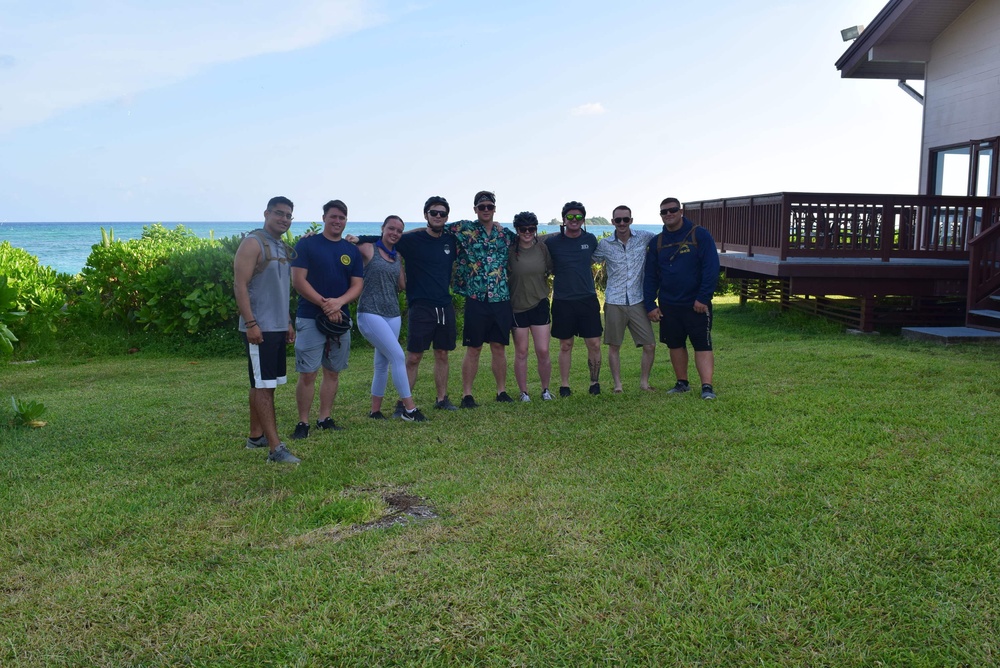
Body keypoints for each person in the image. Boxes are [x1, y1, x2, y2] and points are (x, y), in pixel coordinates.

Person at [351, 196, 460, 411]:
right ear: (426, 215)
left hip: (444, 305)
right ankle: (402, 403)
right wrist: (360, 238)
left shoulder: (451, 241)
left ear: (447, 217)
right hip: (420, 305)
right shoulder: (412, 240)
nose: (438, 216)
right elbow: (386, 239)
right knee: (414, 356)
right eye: (433, 212)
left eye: (442, 213)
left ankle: (442, 399)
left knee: (442, 354)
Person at [232, 195, 300, 464]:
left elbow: (279, 289)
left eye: (288, 215)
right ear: (266, 213)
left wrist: (287, 321)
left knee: (263, 383)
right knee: (263, 386)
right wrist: (250, 323)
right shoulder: (253, 243)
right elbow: (239, 286)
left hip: (276, 325)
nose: (284, 219)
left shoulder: (281, 246)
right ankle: (275, 448)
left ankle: (256, 436)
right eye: (279, 213)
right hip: (259, 326)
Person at [290, 199, 364, 437]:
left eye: (342, 218)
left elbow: (357, 285)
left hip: (340, 320)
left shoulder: (351, 250)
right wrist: (325, 304)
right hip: (311, 317)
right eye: (333, 216)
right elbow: (298, 281)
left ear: (346, 221)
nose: (337, 221)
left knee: (332, 371)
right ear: (324, 218)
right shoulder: (307, 245)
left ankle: (325, 417)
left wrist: (339, 303)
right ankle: (303, 422)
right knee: (308, 373)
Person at [643, 197, 721, 400]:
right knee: (675, 344)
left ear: (681, 211)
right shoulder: (657, 242)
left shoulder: (699, 234)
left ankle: (707, 387)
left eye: (672, 210)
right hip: (668, 304)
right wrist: (651, 304)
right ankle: (682, 383)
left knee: (702, 344)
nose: (668, 214)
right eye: (664, 212)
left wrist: (703, 298)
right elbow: (650, 276)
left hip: (696, 304)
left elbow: (711, 268)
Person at [446, 190, 517, 408]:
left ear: (495, 209)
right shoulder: (464, 229)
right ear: (475, 209)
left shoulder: (505, 235)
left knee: (499, 347)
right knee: (473, 347)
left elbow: (530, 239)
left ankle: (501, 391)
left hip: (500, 298)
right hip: (476, 297)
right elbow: (432, 229)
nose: (486, 210)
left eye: (489, 206)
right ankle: (467, 395)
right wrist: (374, 238)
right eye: (481, 207)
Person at [355, 216, 426, 421]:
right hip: (370, 313)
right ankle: (410, 410)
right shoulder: (368, 248)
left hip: (393, 315)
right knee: (398, 357)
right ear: (382, 229)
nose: (394, 233)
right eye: (391, 228)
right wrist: (312, 237)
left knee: (382, 363)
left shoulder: (397, 256)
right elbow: (338, 245)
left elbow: (402, 284)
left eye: (399, 230)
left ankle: (375, 411)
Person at [592, 205, 657, 393]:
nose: (622, 223)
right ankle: (618, 385)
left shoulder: (645, 237)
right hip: (614, 301)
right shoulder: (604, 244)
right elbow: (588, 259)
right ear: (612, 222)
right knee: (614, 346)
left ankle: (644, 383)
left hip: (638, 300)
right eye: (618, 220)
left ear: (631, 220)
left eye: (625, 219)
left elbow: (665, 241)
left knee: (650, 345)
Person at [543, 201, 602, 396]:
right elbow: (531, 241)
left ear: (583, 219)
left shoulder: (591, 239)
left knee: (593, 343)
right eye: (570, 217)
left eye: (578, 217)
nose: (574, 220)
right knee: (565, 344)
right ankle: (565, 385)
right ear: (564, 219)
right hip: (563, 300)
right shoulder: (552, 242)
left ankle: (594, 383)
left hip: (587, 298)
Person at [507, 211, 554, 401]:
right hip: (517, 305)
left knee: (543, 350)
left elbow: (550, 270)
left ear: (536, 229)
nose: (527, 232)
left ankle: (545, 390)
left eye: (531, 229)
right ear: (517, 230)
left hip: (540, 303)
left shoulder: (542, 248)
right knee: (522, 351)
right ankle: (523, 392)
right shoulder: (510, 250)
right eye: (523, 229)